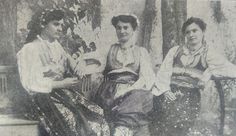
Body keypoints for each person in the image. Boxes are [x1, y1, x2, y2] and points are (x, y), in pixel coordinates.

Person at [17, 8, 96, 136]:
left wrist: (78, 66)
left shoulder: (56, 45)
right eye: (56, 24)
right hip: (40, 97)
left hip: (59, 93)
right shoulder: (30, 49)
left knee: (95, 115)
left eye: (61, 25)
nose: (60, 28)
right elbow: (30, 83)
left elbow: (69, 62)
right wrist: (62, 84)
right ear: (43, 24)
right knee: (70, 120)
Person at [152, 17, 236, 136]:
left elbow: (231, 70)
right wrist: (165, 90)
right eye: (188, 32)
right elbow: (163, 72)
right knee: (157, 121)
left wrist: (210, 71)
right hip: (168, 91)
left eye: (195, 31)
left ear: (203, 32)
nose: (191, 34)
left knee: (177, 124)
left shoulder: (208, 53)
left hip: (189, 94)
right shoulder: (175, 51)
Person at [95, 14, 155, 136]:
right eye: (118, 28)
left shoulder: (141, 51)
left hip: (133, 90)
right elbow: (96, 66)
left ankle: (122, 130)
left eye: (126, 27)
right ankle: (123, 129)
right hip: (109, 90)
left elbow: (146, 78)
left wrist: (127, 90)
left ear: (133, 29)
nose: (122, 31)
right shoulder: (109, 49)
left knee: (141, 96)